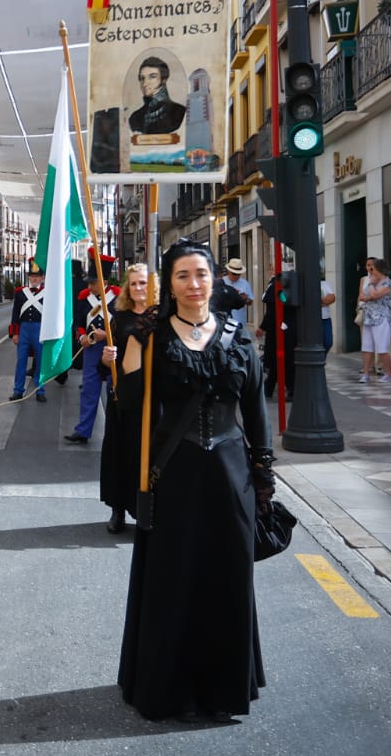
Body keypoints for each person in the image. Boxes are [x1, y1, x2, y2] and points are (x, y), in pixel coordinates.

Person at [116, 238, 272, 722]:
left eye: (200, 274)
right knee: (173, 580)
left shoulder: (237, 333)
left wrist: (263, 469)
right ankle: (168, 689)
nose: (193, 284)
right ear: (170, 284)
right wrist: (128, 361)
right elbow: (130, 411)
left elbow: (255, 406)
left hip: (230, 474)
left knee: (228, 578)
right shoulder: (150, 335)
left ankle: (222, 691)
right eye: (182, 276)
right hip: (174, 471)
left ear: (213, 279)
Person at [100, 263, 150, 534]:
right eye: (134, 283)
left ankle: (148, 511)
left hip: (153, 399)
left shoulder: (163, 316)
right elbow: (105, 365)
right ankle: (118, 510)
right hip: (124, 396)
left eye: (143, 282)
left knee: (149, 455)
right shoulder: (119, 318)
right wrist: (106, 359)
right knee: (120, 453)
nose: (139, 288)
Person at [67, 257, 119, 443]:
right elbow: (78, 323)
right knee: (89, 390)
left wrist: (107, 334)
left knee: (114, 392)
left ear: (104, 282)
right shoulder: (83, 298)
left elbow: (123, 325)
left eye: (92, 282)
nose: (89, 286)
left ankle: (115, 432)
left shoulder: (118, 297)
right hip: (91, 351)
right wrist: (82, 337)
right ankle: (83, 430)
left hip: (111, 349)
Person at [9, 259, 47, 402]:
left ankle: (40, 390)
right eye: (32, 276)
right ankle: (18, 390)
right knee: (21, 361)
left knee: (40, 361)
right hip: (24, 329)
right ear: (29, 277)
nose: (34, 278)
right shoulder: (20, 293)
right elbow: (15, 314)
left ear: (42, 277)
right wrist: (15, 332)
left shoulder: (47, 293)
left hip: (40, 328)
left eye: (37, 276)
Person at [256, 270, 298, 399]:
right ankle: (271, 388)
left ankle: (272, 389)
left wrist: (262, 327)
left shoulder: (276, 289)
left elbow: (272, 312)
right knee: (283, 360)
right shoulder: (293, 288)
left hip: (278, 331)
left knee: (278, 359)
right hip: (290, 329)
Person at [358, 257, 391, 383]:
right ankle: (366, 374)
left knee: (381, 348)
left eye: (373, 268)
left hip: (381, 319)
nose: (371, 270)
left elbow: (374, 295)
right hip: (368, 317)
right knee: (367, 346)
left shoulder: (388, 284)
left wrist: (372, 286)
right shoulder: (372, 282)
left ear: (379, 269)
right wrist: (369, 295)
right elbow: (363, 296)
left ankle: (389, 374)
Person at [127, 55, 186, 135]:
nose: (145, 83)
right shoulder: (135, 117)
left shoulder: (181, 112)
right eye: (142, 78)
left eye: (152, 77)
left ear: (164, 79)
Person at [215, 258, 253, 330]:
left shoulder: (244, 283)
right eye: (234, 274)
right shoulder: (222, 282)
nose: (237, 276)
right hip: (224, 322)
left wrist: (245, 299)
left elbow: (250, 302)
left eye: (239, 274)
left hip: (240, 321)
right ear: (229, 271)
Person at [319, 274, 336, 351]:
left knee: (328, 342)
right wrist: (324, 301)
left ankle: (321, 358)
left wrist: (321, 300)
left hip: (325, 319)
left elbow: (332, 298)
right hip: (311, 320)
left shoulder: (324, 284)